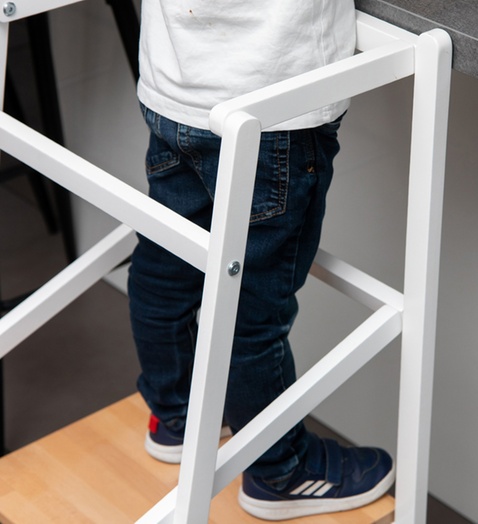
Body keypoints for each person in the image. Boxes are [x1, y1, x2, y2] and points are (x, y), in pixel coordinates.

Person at [127, 1, 394, 520]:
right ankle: (279, 470)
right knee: (254, 311)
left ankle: (178, 416)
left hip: (176, 91)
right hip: (273, 104)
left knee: (166, 272)